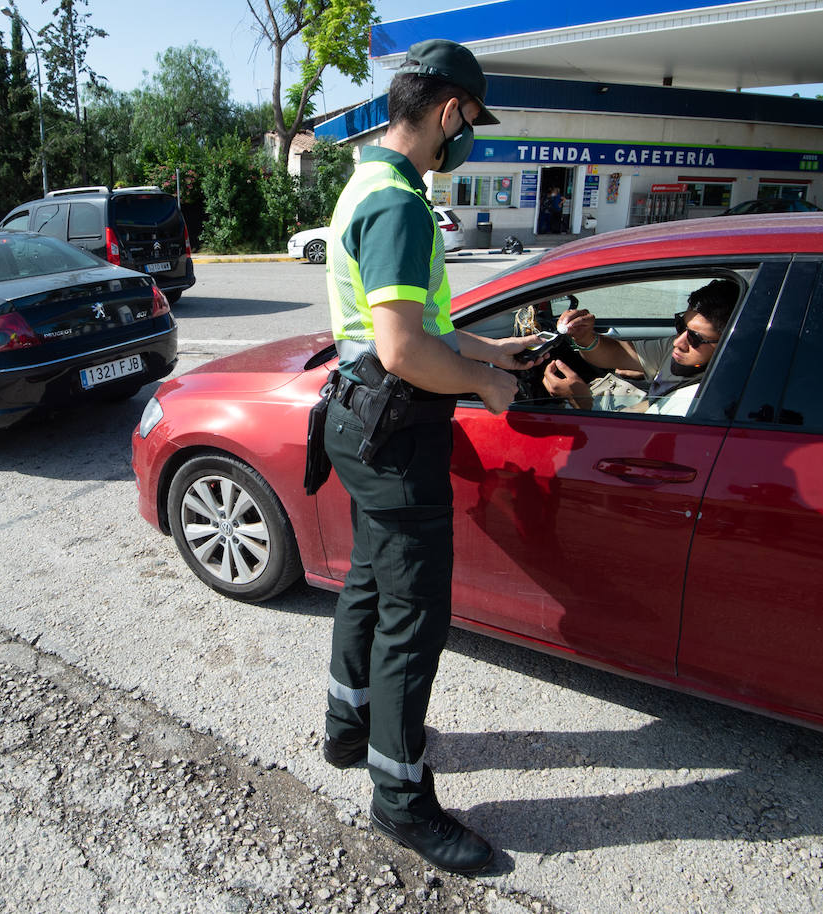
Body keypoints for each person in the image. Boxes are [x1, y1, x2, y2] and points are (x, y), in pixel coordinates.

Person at [316, 38, 540, 875]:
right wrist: (485, 389)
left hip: (357, 421)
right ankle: (401, 802)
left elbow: (414, 326)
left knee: (371, 586)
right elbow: (407, 350)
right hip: (395, 429)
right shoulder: (402, 205)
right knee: (413, 623)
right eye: (473, 121)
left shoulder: (370, 182)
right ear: (450, 111)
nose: (470, 136)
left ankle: (347, 730)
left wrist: (491, 351)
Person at [544, 279, 739, 415]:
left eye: (695, 338)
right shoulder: (682, 351)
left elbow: (629, 447)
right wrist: (585, 337)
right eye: (681, 326)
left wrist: (581, 403)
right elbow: (619, 353)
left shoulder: (695, 401)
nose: (677, 342)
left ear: (728, 345)